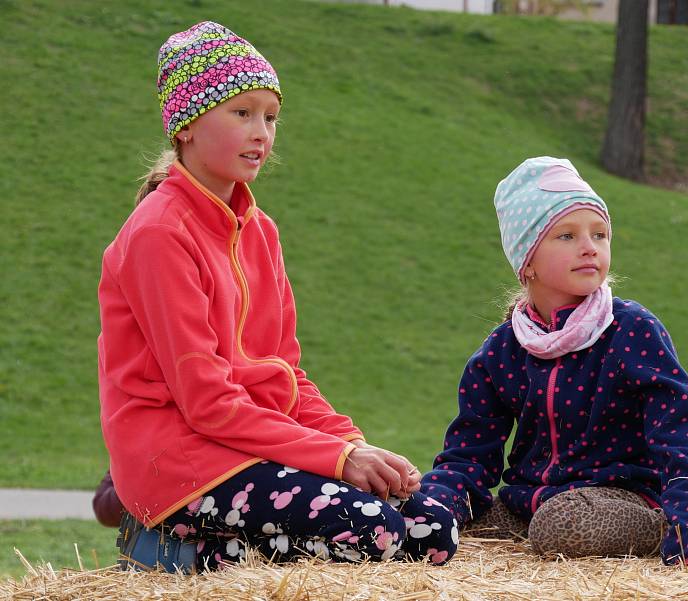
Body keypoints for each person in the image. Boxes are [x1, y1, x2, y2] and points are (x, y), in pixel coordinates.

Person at [98, 21, 457, 573]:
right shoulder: (158, 235)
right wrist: (339, 460)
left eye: (270, 116)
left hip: (250, 445)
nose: (261, 132)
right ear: (186, 126)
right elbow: (207, 405)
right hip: (176, 461)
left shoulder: (260, 231)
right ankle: (166, 548)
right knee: (375, 532)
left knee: (435, 529)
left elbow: (284, 375)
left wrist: (352, 444)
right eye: (241, 113)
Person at [421, 156, 688, 567]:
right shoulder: (504, 348)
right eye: (566, 236)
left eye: (599, 234)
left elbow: (684, 433)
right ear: (526, 261)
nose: (589, 247)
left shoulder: (630, 330)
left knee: (560, 527)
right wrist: (435, 510)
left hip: (621, 497)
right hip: (526, 504)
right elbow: (468, 452)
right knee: (463, 522)